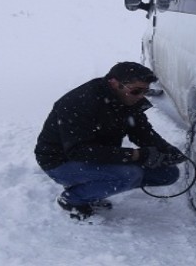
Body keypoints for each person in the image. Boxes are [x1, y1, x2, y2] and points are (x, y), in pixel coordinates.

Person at [35, 61, 186, 220]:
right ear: (114, 83)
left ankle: (93, 185)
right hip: (61, 162)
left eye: (145, 91)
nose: (141, 96)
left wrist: (165, 149)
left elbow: (141, 131)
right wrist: (136, 155)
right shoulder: (80, 103)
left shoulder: (127, 99)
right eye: (136, 91)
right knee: (129, 175)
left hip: (99, 156)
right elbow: (78, 151)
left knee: (168, 173)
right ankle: (73, 199)